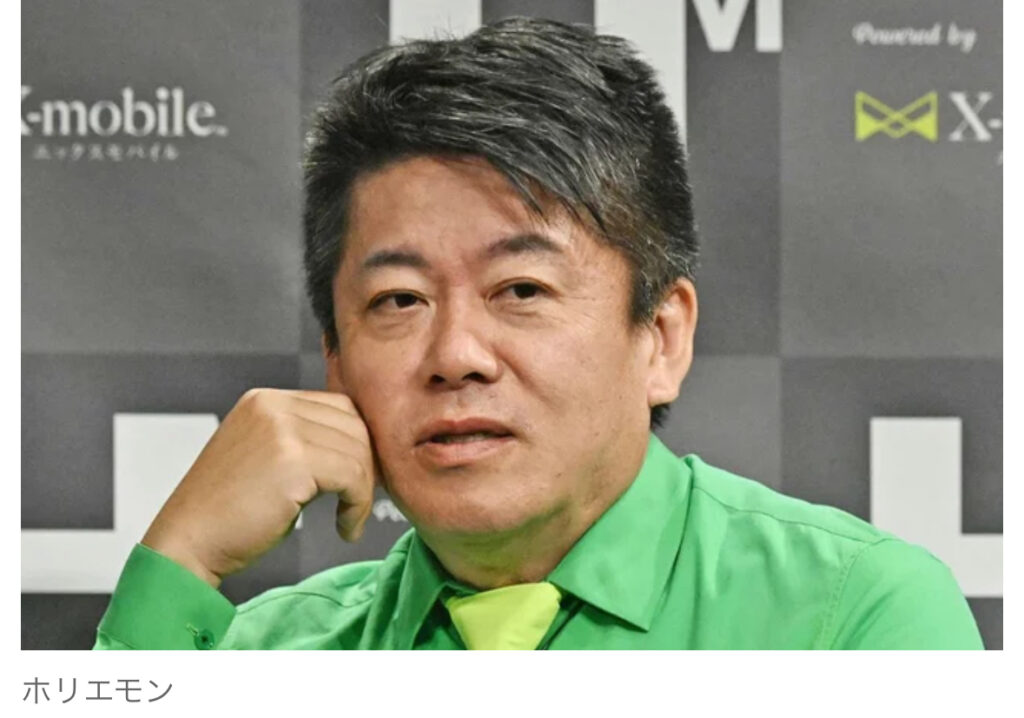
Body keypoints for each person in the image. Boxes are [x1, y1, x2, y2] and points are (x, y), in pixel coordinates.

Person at [93, 17, 982, 650]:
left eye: (520, 288)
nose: (455, 356)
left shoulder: (851, 617)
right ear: (335, 361)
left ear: (661, 337)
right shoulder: (268, 656)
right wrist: (181, 561)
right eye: (399, 300)